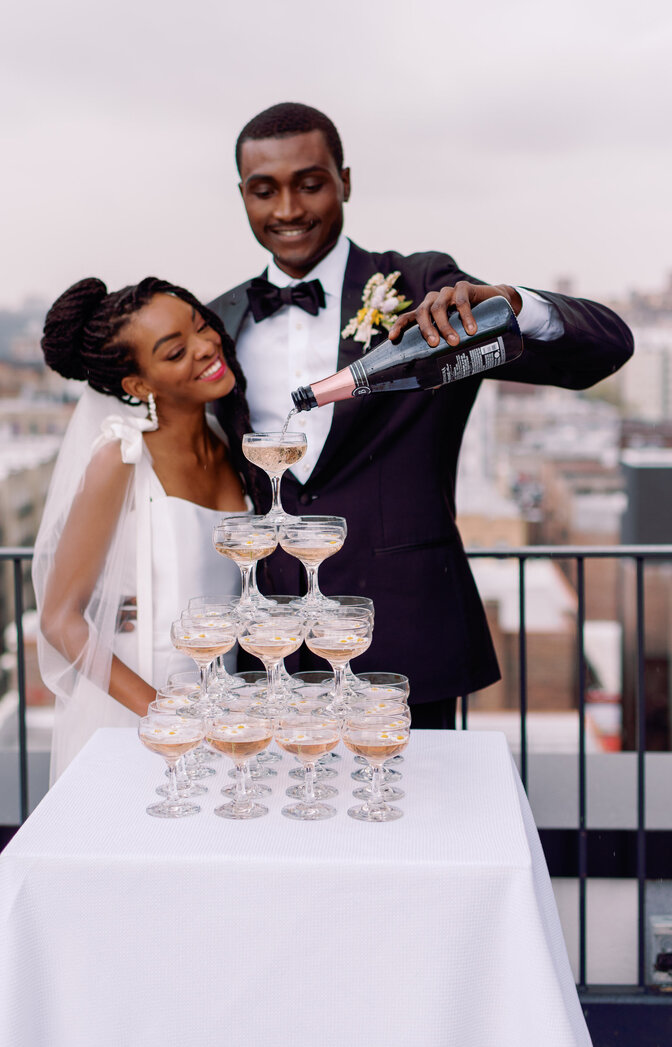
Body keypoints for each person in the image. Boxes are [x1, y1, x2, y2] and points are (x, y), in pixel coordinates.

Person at [210, 101, 634, 728]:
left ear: (344, 182)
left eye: (310, 183)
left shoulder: (423, 287)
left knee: (414, 821)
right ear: (241, 195)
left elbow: (603, 348)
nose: (289, 210)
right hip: (270, 645)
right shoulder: (218, 318)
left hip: (405, 636)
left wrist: (515, 304)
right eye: (264, 190)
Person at [34, 276, 259, 780]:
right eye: (177, 351)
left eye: (201, 326)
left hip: (230, 714)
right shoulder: (122, 458)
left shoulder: (229, 444)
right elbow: (59, 620)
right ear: (138, 386)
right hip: (145, 714)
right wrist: (169, 717)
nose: (205, 348)